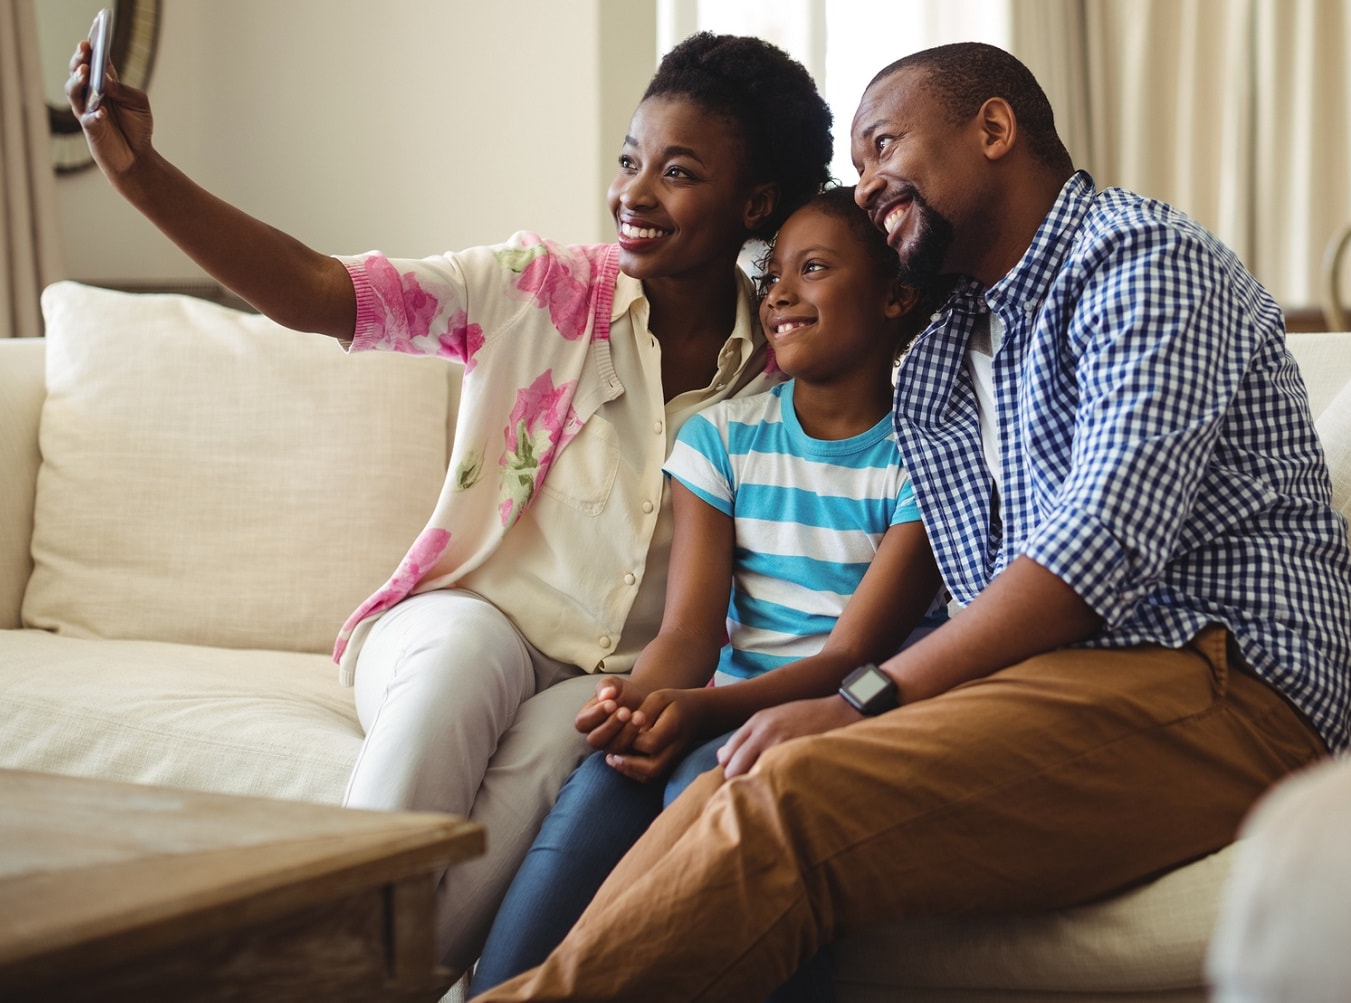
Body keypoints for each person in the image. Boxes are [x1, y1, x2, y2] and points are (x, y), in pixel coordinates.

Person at [474, 39, 1351, 1003]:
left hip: (1228, 683)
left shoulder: (1140, 260)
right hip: (1076, 679)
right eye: (855, 168)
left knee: (791, 798)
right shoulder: (950, 343)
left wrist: (861, 695)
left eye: (884, 147)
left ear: (992, 129)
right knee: (725, 786)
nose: (865, 188)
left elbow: (1091, 550)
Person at [65, 30, 833, 976]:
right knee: (466, 659)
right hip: (464, 620)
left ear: (754, 201)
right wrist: (145, 176)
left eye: (676, 173)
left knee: (563, 748)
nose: (633, 193)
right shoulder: (537, 288)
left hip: (621, 674)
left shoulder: (786, 362)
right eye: (629, 161)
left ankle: (336, 985)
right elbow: (320, 293)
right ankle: (324, 970)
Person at [471, 187, 947, 993]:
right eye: (772, 277)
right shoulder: (722, 437)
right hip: (718, 706)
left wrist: (700, 713)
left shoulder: (929, 463)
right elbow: (688, 638)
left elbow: (853, 654)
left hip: (827, 723)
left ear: (897, 296)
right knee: (596, 797)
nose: (780, 294)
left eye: (815, 268)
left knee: (703, 804)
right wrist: (640, 703)